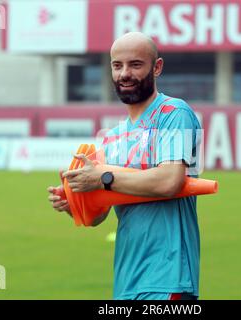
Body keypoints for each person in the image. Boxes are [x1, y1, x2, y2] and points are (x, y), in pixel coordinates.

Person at [47, 32, 202, 300]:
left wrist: (102, 177)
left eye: (135, 65)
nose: (124, 74)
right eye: (117, 66)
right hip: (126, 280)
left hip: (168, 278)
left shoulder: (174, 114)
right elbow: (98, 216)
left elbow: (169, 182)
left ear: (157, 67)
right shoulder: (112, 137)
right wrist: (74, 201)